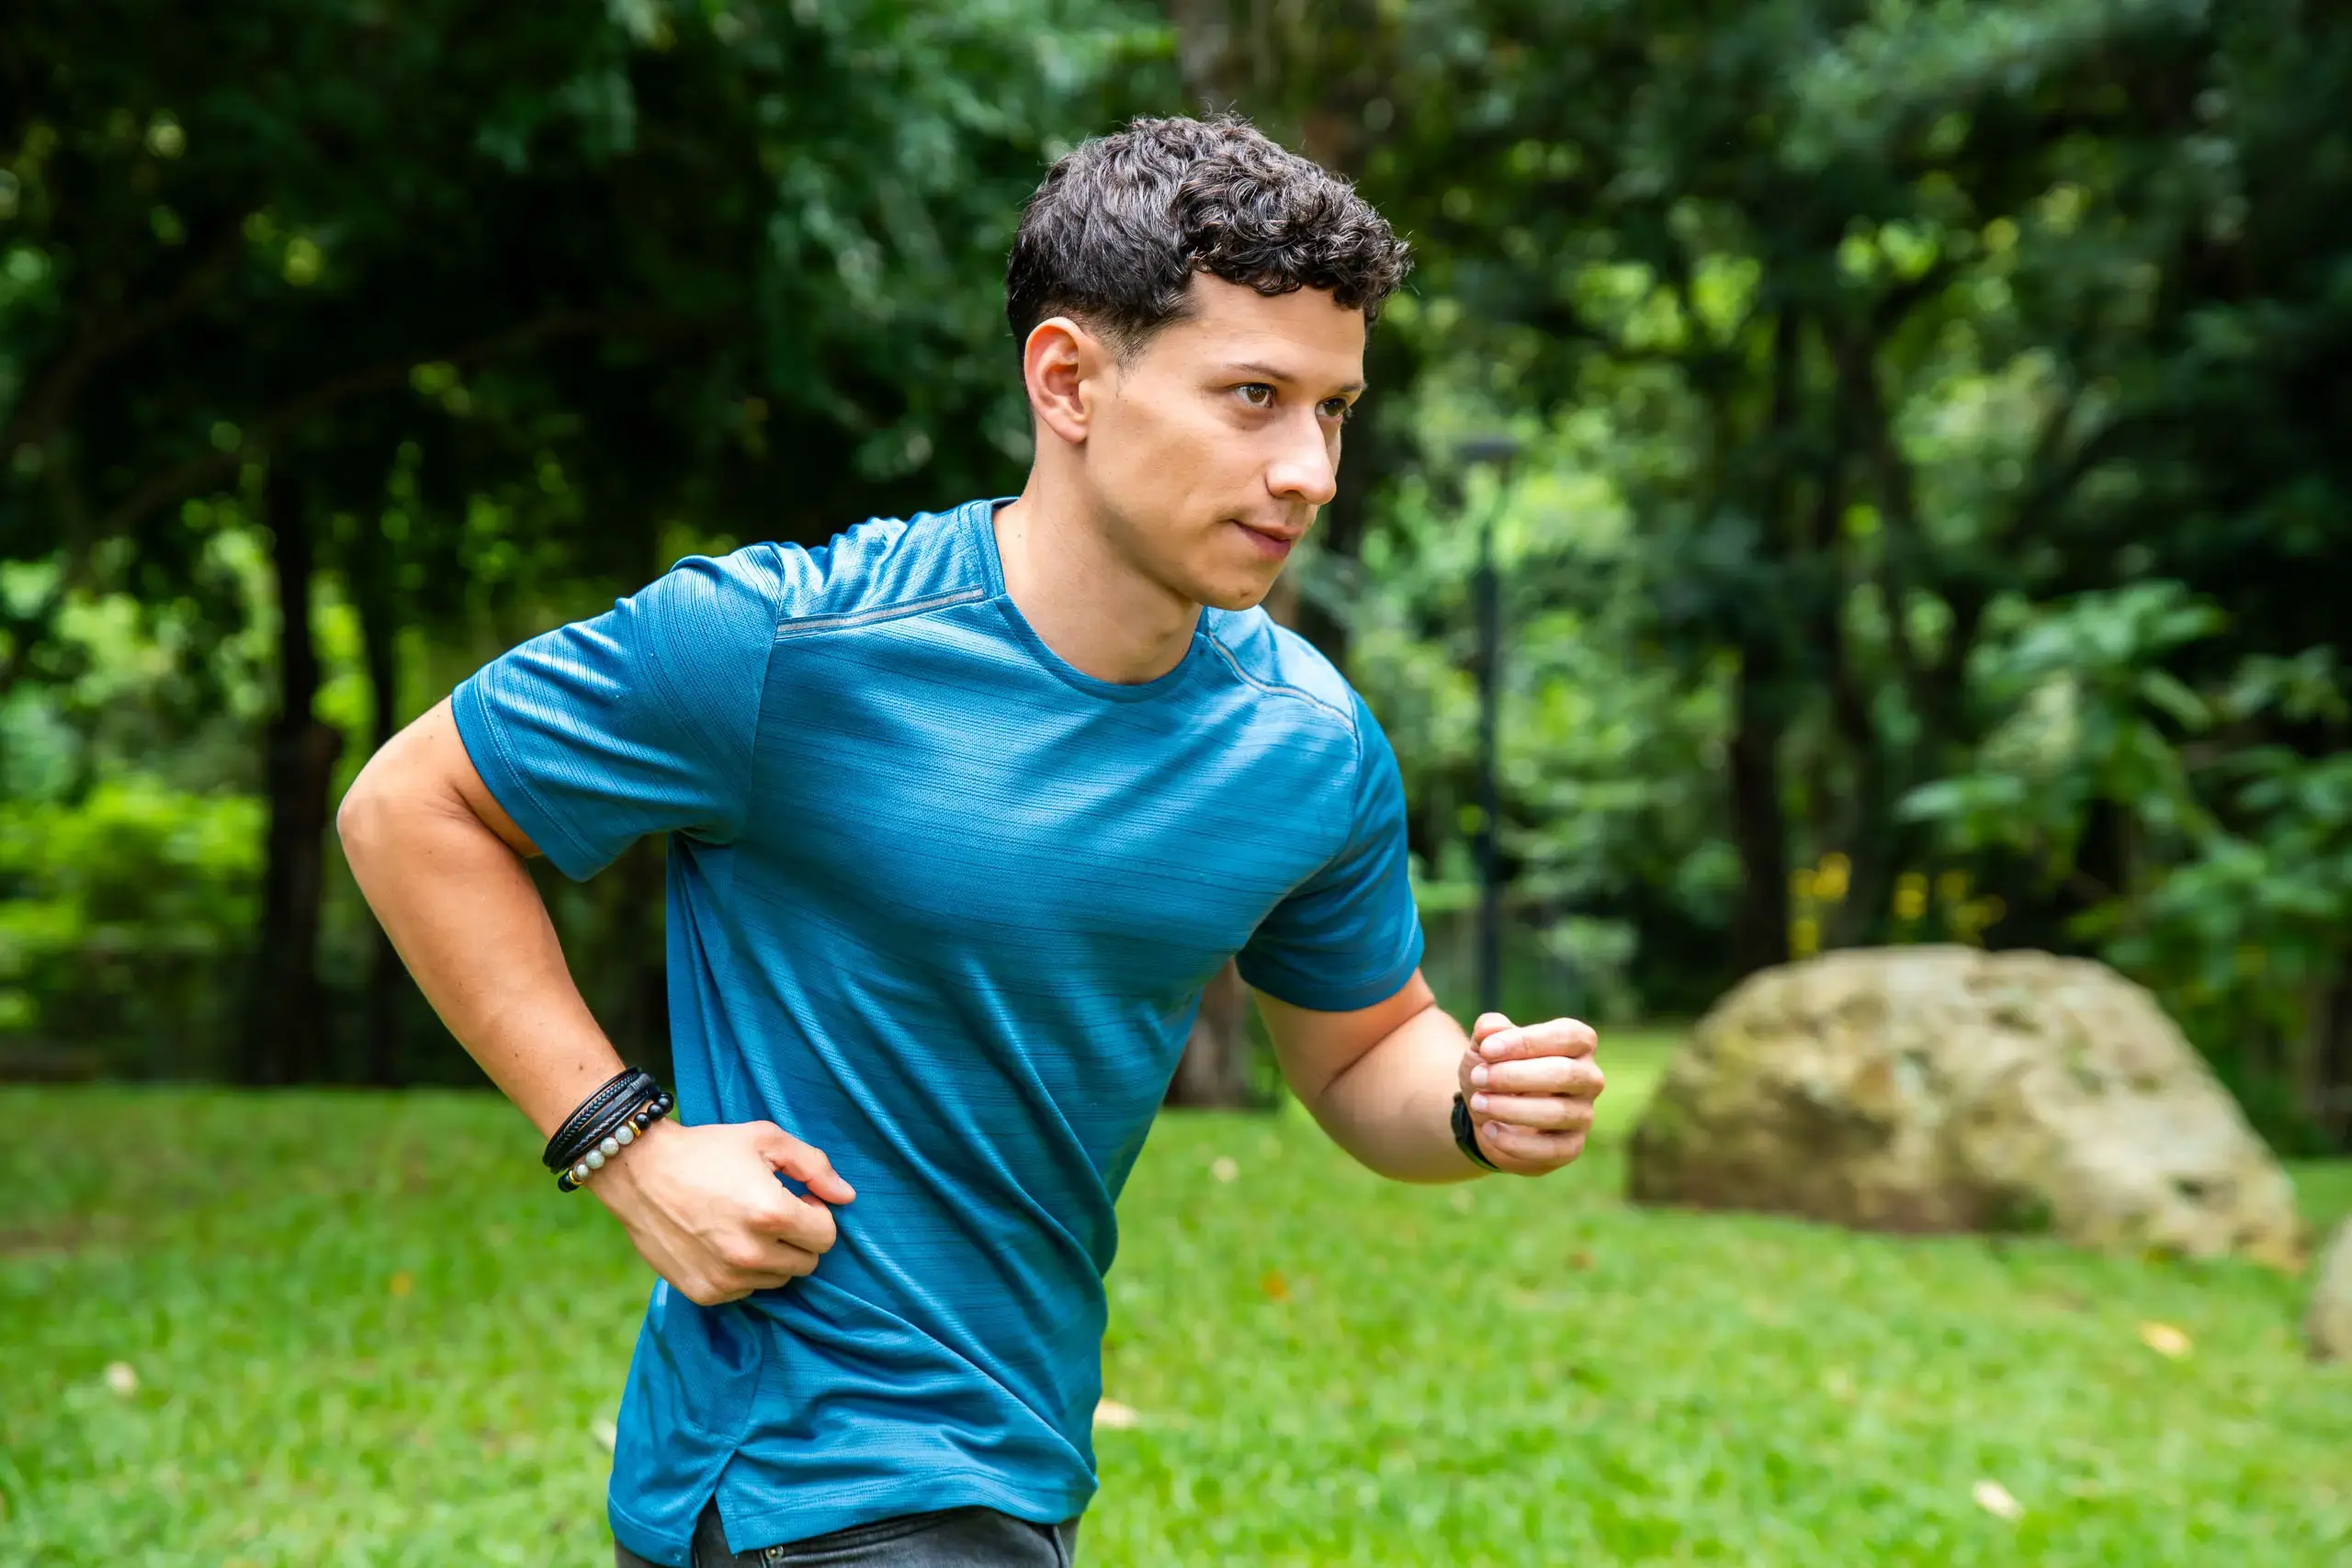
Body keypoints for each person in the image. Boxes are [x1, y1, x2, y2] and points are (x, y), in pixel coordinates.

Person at [339, 112, 1606, 1568]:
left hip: (1010, 1462)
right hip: (811, 1478)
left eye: (1334, 409)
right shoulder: (787, 643)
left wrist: (1475, 1103)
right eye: (1253, 395)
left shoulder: (1305, 742)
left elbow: (1366, 1047)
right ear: (1067, 379)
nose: (1311, 468)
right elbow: (411, 804)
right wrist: (623, 1146)